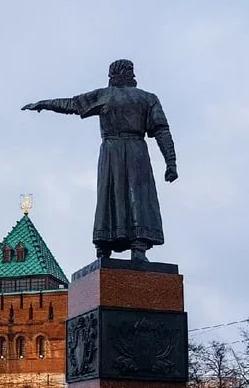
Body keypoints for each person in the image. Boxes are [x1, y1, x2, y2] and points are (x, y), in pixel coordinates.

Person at [22, 59, 177, 261]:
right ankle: (121, 247)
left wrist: (44, 104)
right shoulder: (145, 98)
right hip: (131, 151)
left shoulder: (111, 96)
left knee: (118, 196)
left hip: (117, 151)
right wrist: (171, 162)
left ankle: (117, 247)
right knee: (127, 196)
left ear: (112, 76)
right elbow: (162, 131)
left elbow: (72, 104)